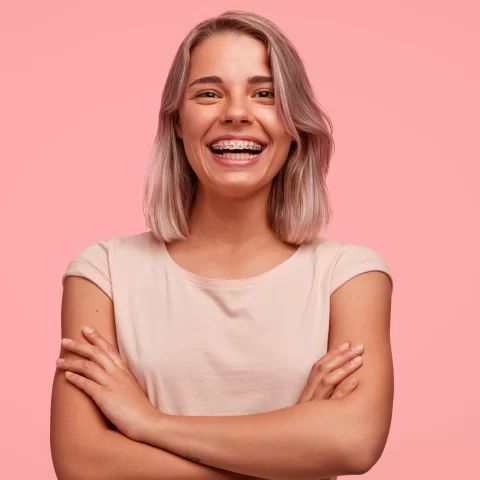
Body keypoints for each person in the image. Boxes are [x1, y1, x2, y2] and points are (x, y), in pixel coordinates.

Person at [50, 10, 394, 480]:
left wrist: (150, 423)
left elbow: (353, 442)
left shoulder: (349, 276)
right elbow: (82, 463)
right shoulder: (103, 273)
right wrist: (290, 456)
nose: (235, 112)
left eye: (265, 94)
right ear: (176, 120)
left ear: (294, 124)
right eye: (209, 93)